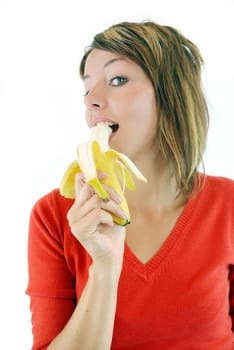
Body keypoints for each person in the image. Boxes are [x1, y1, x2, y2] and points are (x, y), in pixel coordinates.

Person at [26, 20, 234, 350]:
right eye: (87, 87)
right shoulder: (53, 216)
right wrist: (105, 268)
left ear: (171, 96)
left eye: (118, 79)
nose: (91, 100)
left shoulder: (228, 206)